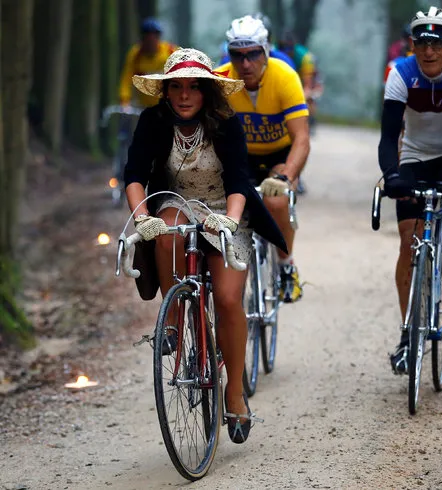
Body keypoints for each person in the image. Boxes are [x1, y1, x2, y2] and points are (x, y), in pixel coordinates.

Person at [123, 48, 287, 444]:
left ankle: (235, 390)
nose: (183, 95)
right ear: (165, 92)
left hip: (225, 209)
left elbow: (239, 181)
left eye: (193, 87)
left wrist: (229, 220)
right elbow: (133, 175)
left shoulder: (227, 125)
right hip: (174, 204)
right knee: (165, 228)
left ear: (207, 91)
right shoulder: (152, 121)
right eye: (175, 87)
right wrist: (141, 216)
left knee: (229, 300)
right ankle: (174, 319)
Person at [379, 7, 442, 375]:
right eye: (422, 42)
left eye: (438, 42)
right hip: (417, 156)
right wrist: (391, 175)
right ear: (412, 44)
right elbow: (389, 138)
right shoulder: (401, 74)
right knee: (409, 241)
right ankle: (408, 334)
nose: (429, 50)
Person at [217, 16, 310, 303]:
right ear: (229, 54)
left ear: (266, 50)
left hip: (277, 155)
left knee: (275, 199)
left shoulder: (284, 77)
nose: (245, 63)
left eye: (253, 54)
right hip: (241, 157)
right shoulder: (220, 80)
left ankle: (286, 266)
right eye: (238, 55)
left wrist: (287, 176)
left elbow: (302, 140)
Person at [119, 18, 177, 109]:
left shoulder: (170, 51)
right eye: (147, 39)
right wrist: (124, 100)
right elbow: (126, 79)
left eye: (154, 38)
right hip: (145, 107)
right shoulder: (136, 55)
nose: (151, 42)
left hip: (169, 105)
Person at [218, 12, 296, 70]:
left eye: (253, 53)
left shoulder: (283, 62)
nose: (246, 65)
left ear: (268, 41)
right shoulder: (226, 63)